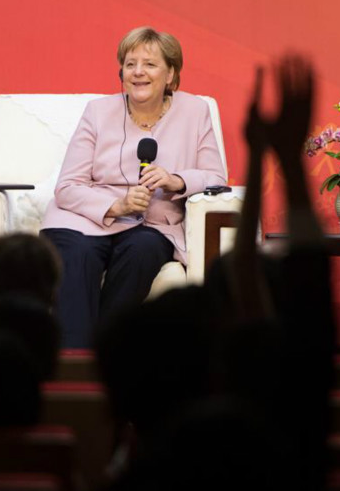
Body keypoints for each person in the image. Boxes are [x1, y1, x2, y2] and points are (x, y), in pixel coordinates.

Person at [40, 26, 226, 348]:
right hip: (86, 219)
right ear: (121, 71)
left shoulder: (195, 111)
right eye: (130, 64)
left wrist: (177, 180)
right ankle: (74, 363)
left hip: (151, 223)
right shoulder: (98, 112)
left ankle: (105, 353)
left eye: (150, 64)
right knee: (77, 254)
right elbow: (68, 186)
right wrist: (117, 206)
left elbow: (215, 177)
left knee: (141, 251)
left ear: (170, 74)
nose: (138, 72)